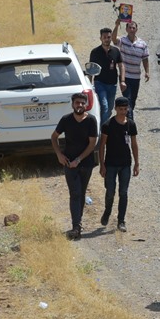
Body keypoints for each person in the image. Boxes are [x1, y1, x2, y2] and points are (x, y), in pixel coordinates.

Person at [51, 92, 99, 239]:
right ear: (72, 104)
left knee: (81, 192)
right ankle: (76, 226)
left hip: (86, 163)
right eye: (77, 102)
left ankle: (78, 223)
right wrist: (59, 155)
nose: (80, 105)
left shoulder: (91, 120)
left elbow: (92, 144)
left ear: (86, 105)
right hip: (68, 163)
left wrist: (78, 159)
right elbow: (54, 137)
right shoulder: (66, 120)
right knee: (75, 193)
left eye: (82, 103)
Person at [97, 96, 138, 232]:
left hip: (125, 164)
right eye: (120, 109)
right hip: (111, 164)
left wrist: (137, 163)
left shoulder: (131, 124)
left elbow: (134, 144)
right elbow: (102, 145)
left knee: (123, 192)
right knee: (110, 192)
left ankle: (121, 220)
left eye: (125, 109)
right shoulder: (107, 125)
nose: (123, 112)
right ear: (115, 109)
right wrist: (102, 164)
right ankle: (107, 211)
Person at [89, 26, 123, 125]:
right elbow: (91, 69)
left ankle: (102, 125)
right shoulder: (95, 52)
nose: (107, 39)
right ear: (100, 38)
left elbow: (121, 66)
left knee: (110, 108)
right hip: (100, 83)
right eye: (104, 37)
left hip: (112, 84)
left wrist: (122, 81)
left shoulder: (116, 51)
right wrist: (90, 84)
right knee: (104, 106)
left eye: (108, 37)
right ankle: (102, 130)